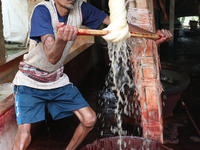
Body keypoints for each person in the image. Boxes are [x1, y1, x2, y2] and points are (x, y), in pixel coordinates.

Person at [12, 0, 172, 149]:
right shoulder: (42, 11)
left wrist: (152, 36)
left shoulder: (81, 9)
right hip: (30, 81)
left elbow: (119, 26)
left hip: (55, 79)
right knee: (25, 135)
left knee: (89, 119)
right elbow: (52, 57)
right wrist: (61, 40)